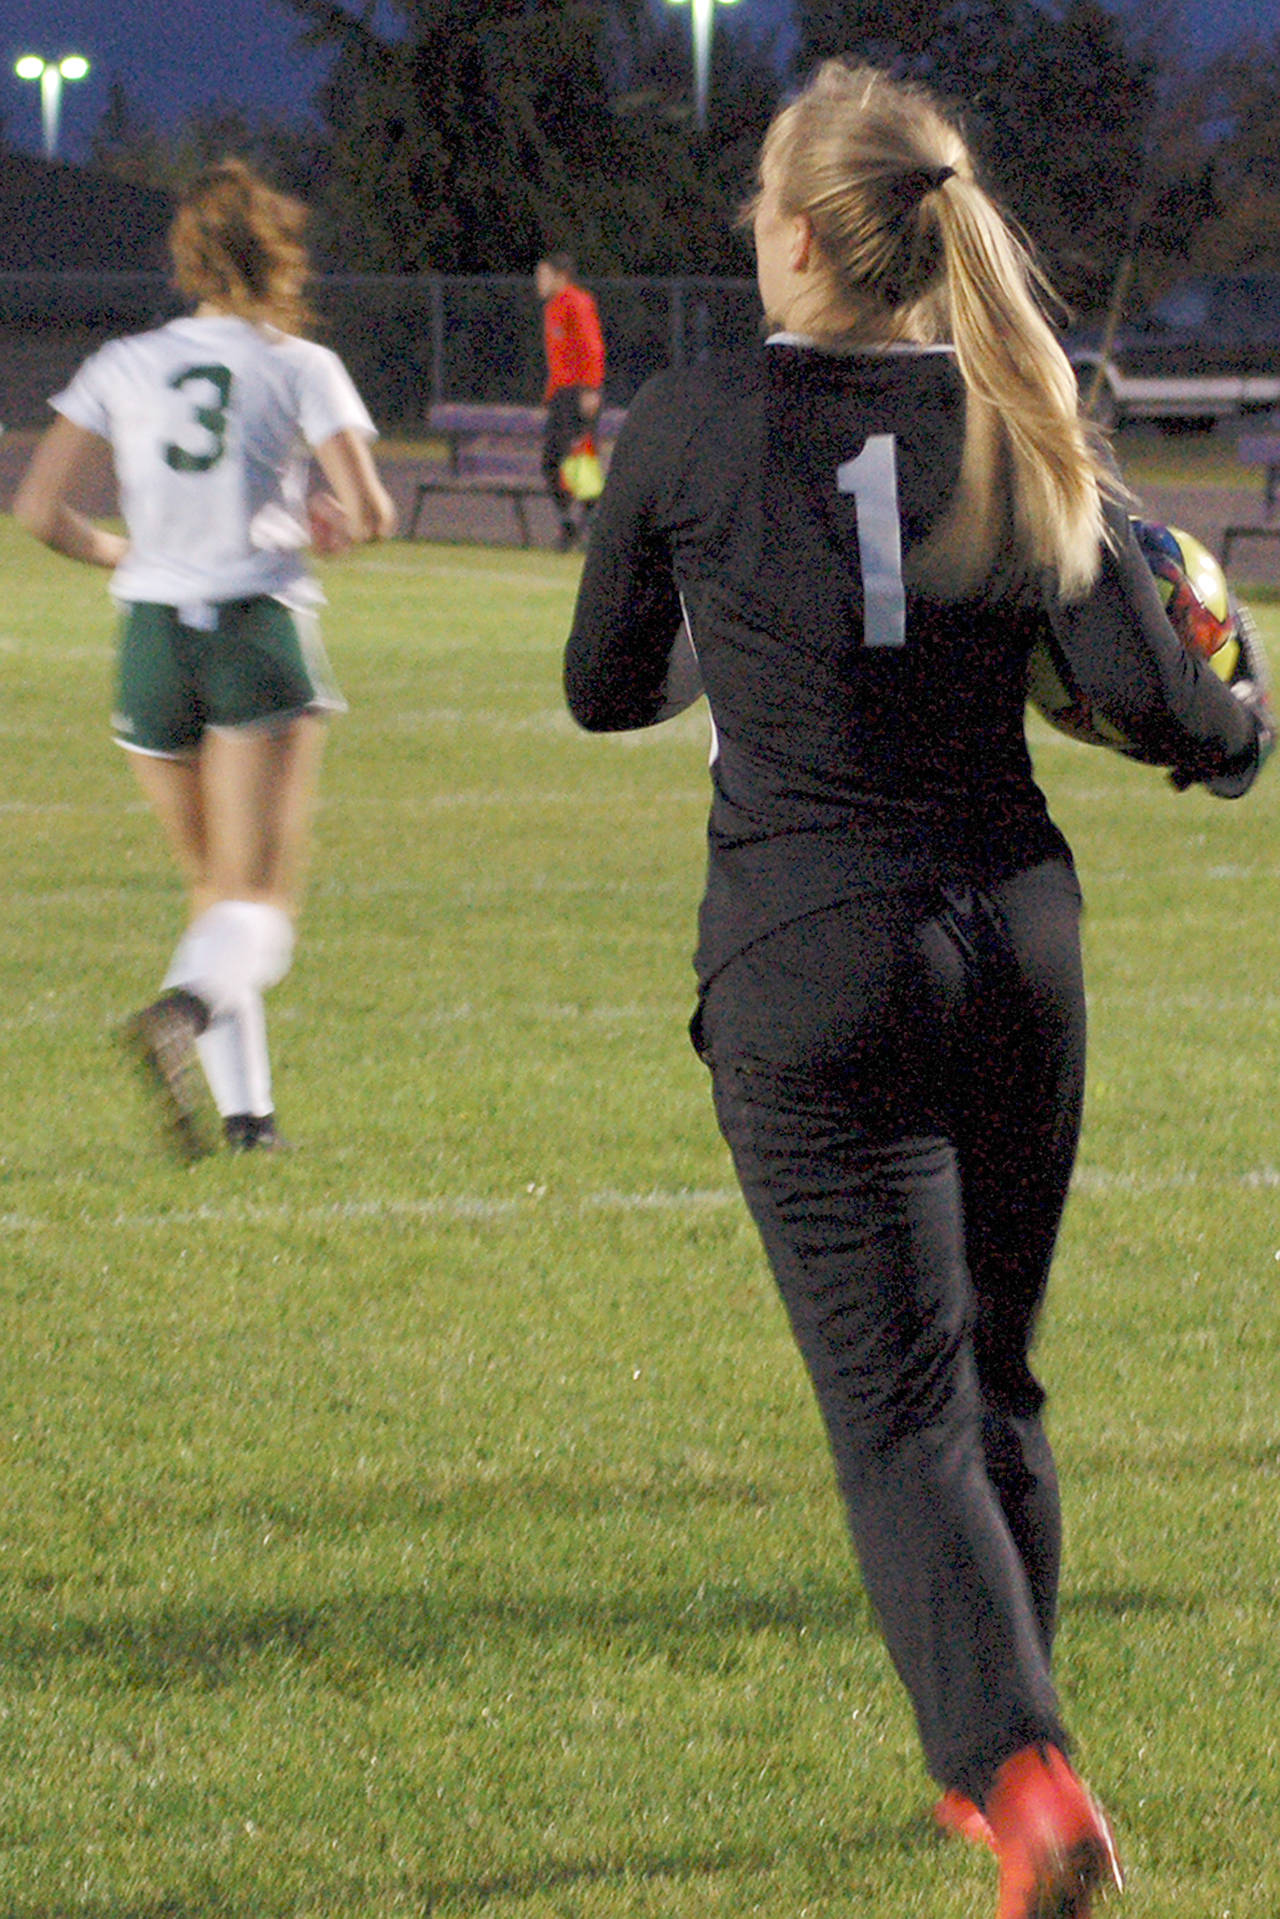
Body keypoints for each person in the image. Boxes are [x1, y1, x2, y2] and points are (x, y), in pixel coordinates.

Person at [563, 61, 1272, 1919]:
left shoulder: (694, 420)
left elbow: (602, 679)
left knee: (902, 1415)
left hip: (815, 949)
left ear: (797, 236)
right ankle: (1013, 1757)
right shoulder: (1021, 414)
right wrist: (1231, 673)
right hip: (1016, 944)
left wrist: (754, 615)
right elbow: (1189, 716)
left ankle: (1023, 1772)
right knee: (996, 1383)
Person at [14, 157, 397, 1160]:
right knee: (260, 906)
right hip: (253, 630)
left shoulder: (123, 361)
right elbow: (370, 512)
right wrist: (330, 522)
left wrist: (122, 552)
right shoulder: (298, 363)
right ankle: (182, 1009)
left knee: (213, 892)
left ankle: (248, 1120)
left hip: (147, 641)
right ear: (276, 255)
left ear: (186, 261)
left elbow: (39, 511)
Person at [535, 249, 605, 551]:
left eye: (544, 275)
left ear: (561, 276)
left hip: (577, 392)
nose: (539, 281)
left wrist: (590, 389)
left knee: (575, 458)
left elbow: (592, 347)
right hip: (562, 394)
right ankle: (576, 521)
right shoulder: (553, 307)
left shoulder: (577, 302)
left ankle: (588, 520)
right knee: (558, 461)